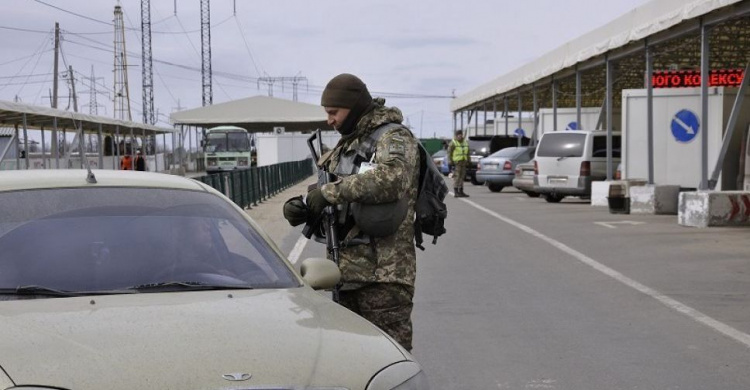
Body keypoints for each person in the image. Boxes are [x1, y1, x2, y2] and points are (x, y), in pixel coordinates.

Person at [283, 73, 420, 351]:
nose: (329, 120)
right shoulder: (347, 143)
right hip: (344, 276)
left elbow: (393, 178)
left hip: (383, 279)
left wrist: (328, 194)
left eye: (334, 112)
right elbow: (331, 186)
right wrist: (304, 205)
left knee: (389, 362)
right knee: (352, 362)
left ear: (355, 106)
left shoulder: (393, 136)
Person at [447, 129, 470, 197]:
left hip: (463, 162)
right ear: (456, 136)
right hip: (457, 162)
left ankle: (461, 190)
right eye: (458, 135)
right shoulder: (453, 143)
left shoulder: (465, 142)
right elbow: (449, 153)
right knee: (457, 177)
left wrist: (469, 160)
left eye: (460, 135)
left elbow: (467, 152)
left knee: (462, 177)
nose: (459, 136)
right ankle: (456, 191)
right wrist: (450, 161)